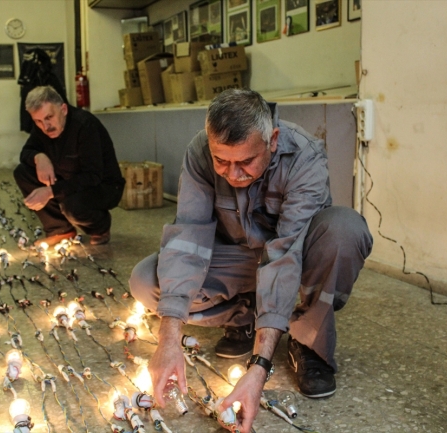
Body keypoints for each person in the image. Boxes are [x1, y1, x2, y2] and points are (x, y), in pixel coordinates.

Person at [130, 89, 373, 432]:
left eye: (246, 162)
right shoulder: (200, 150)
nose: (233, 174)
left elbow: (285, 255)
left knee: (344, 231)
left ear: (272, 140)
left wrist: (259, 367)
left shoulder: (304, 156)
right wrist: (168, 339)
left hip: (293, 256)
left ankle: (306, 341)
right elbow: (188, 236)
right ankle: (244, 316)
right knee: (145, 281)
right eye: (222, 161)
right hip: (238, 260)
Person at [13, 86, 125, 246]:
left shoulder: (85, 126)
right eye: (38, 121)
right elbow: (26, 152)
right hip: (68, 178)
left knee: (73, 206)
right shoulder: (42, 128)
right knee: (23, 172)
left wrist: (50, 192)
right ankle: (61, 230)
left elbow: (92, 176)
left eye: (49, 117)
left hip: (102, 186)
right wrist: (39, 157)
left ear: (63, 109)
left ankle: (100, 226)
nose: (45, 126)